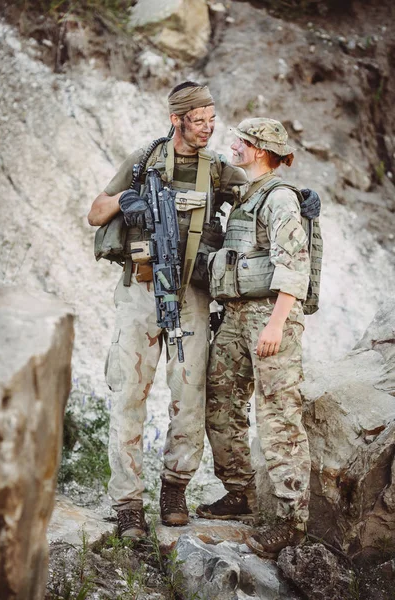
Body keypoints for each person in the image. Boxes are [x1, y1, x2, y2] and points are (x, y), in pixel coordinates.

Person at [87, 81, 247, 540]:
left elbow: (256, 196)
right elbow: (95, 212)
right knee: (128, 395)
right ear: (176, 120)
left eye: (212, 120)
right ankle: (127, 503)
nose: (208, 129)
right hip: (140, 294)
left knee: (190, 395)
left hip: (191, 296)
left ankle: (175, 489)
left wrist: (293, 198)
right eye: (199, 121)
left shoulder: (217, 168)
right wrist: (125, 199)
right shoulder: (144, 160)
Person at [196, 117, 312, 559]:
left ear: (259, 149)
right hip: (236, 314)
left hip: (270, 314)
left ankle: (291, 521)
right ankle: (240, 492)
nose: (233, 145)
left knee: (278, 415)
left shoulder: (279, 198)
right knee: (221, 401)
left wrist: (278, 323)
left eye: (240, 141)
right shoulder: (246, 193)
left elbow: (294, 263)